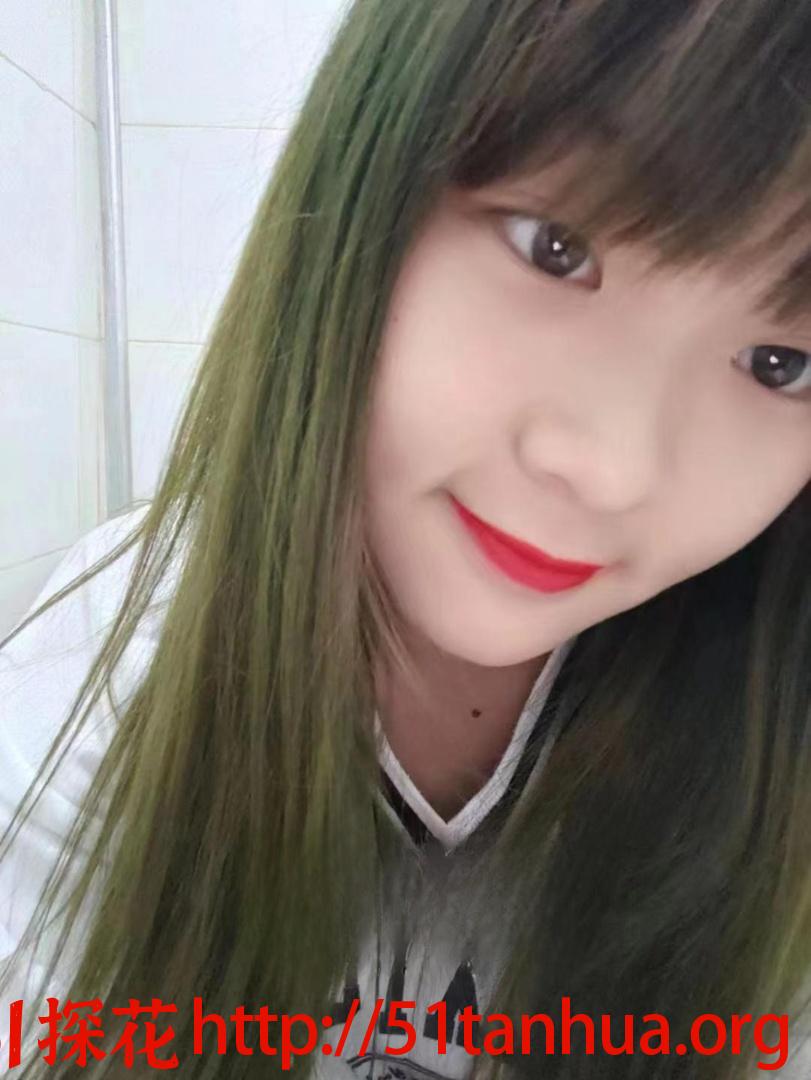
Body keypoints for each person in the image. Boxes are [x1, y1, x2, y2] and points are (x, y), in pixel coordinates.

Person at [2, 1, 811, 1077]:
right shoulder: (93, 686)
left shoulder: (774, 769)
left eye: (780, 365)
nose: (612, 467)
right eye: (554, 248)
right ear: (360, 195)